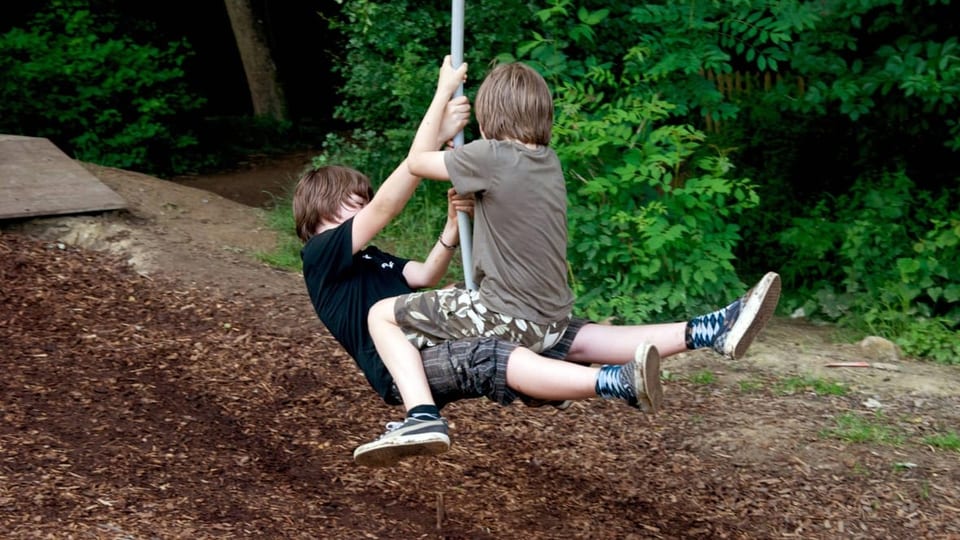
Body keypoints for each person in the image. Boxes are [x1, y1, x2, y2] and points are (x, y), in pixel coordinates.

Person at [295, 56, 782, 467]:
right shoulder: (322, 251)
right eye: (351, 202)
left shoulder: (378, 249)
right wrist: (441, 98)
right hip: (418, 360)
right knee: (510, 346)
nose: (363, 206)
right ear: (322, 209)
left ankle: (704, 331)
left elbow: (423, 276)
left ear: (490, 119)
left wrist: (449, 229)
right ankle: (424, 412)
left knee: (567, 337)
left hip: (494, 315)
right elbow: (393, 197)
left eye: (362, 199)